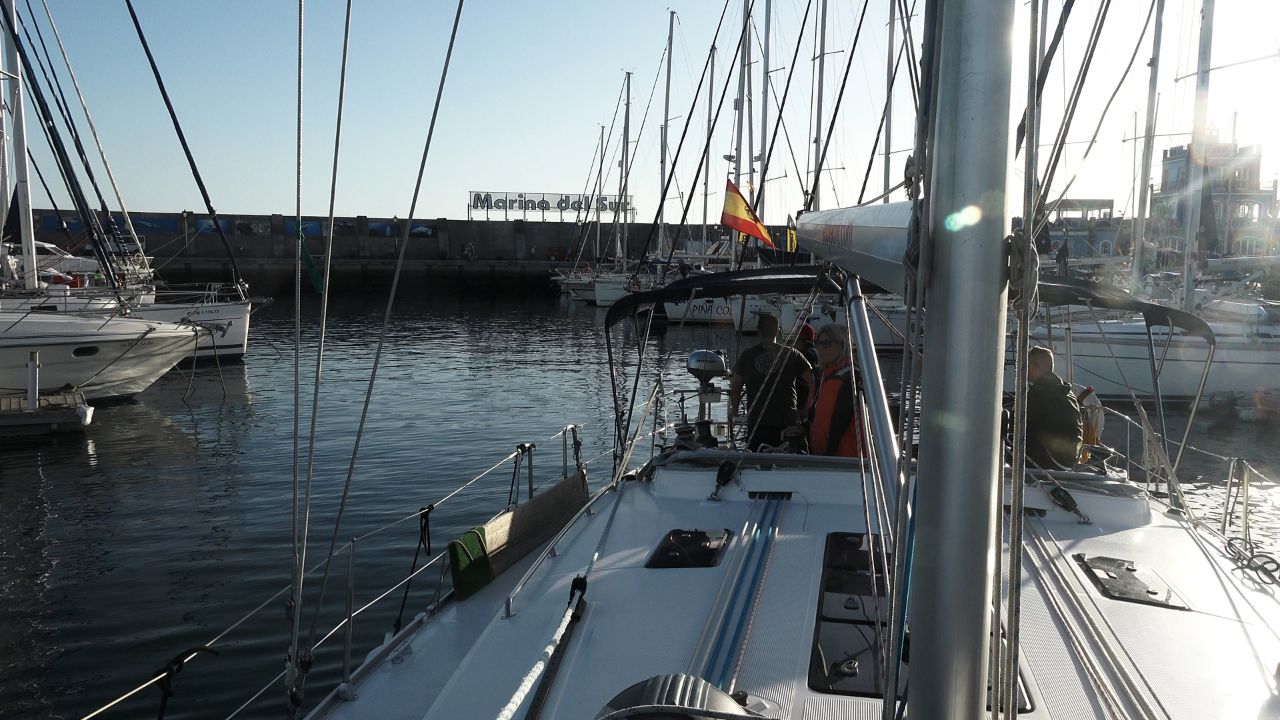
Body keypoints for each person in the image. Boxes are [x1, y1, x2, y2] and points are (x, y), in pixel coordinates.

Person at [729, 313, 815, 451]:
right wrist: (806, 408)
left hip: (757, 422)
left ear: (758, 331)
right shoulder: (792, 354)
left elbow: (736, 387)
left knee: (755, 458)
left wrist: (734, 413)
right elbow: (812, 381)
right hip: (787, 421)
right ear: (778, 331)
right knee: (786, 460)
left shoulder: (747, 355)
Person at [808, 325, 864, 457]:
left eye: (826, 344)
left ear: (843, 345)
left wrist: (825, 458)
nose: (819, 349)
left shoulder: (851, 378)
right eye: (817, 343)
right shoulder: (826, 376)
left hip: (845, 462)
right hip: (826, 458)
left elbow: (839, 425)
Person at [1025, 346, 1083, 469]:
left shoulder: (1039, 393)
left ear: (1035, 367)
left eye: (1026, 365)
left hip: (1051, 461)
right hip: (1070, 459)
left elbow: (1022, 425)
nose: (1022, 369)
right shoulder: (1065, 390)